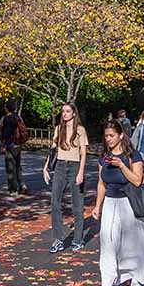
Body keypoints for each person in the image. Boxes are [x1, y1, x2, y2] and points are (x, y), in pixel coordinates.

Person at [89, 120, 144, 286]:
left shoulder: (132, 155)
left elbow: (136, 180)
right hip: (111, 204)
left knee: (133, 243)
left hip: (129, 203)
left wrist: (121, 165)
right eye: (106, 136)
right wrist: (98, 205)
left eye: (112, 135)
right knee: (108, 243)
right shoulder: (104, 157)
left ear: (121, 135)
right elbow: (101, 182)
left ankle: (136, 278)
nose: (109, 139)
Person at [43, 102, 88, 253]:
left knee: (77, 204)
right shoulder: (59, 129)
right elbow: (53, 150)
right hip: (61, 166)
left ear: (74, 113)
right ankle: (58, 239)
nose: (65, 114)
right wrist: (46, 167)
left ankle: (77, 239)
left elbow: (83, 153)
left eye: (68, 111)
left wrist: (81, 171)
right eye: (63, 111)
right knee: (55, 202)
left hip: (75, 166)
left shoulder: (80, 130)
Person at [0, 101, 27, 196]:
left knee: (10, 167)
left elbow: (4, 133)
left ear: (7, 108)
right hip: (18, 144)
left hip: (9, 145)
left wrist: (3, 145)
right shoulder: (18, 118)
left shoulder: (5, 119)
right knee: (18, 166)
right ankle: (22, 185)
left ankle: (13, 189)